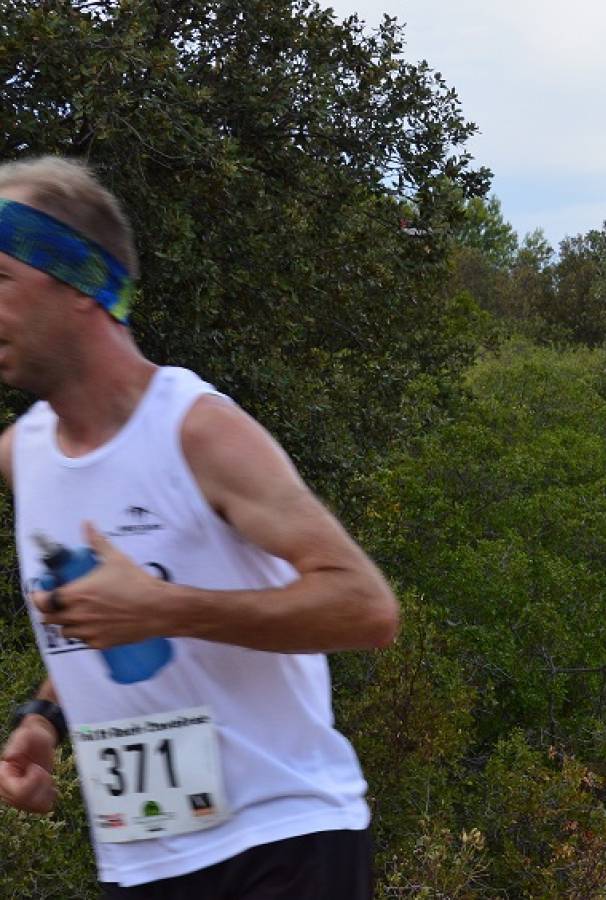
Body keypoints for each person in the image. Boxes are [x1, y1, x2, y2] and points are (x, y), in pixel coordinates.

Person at [0, 156, 398, 897]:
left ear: (78, 284)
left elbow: (365, 608)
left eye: (2, 280)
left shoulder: (198, 431)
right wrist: (43, 718)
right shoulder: (23, 455)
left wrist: (166, 609)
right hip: (143, 860)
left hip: (284, 839)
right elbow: (99, 612)